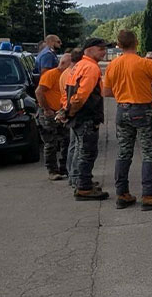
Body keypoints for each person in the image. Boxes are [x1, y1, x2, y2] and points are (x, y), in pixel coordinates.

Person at [102, 30, 152, 210]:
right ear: (136, 42)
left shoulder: (113, 65)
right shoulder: (144, 63)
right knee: (148, 152)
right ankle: (149, 195)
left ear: (119, 45)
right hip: (142, 109)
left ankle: (122, 193)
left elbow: (106, 92)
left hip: (122, 110)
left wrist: (124, 94)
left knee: (124, 152)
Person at [59, 37, 109, 201]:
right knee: (87, 153)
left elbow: (68, 92)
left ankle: (82, 182)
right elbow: (81, 96)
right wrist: (71, 111)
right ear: (89, 49)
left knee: (80, 150)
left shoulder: (78, 66)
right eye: (101, 48)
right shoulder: (90, 68)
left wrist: (67, 112)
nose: (104, 51)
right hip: (86, 116)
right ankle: (84, 188)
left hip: (78, 116)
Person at [36, 51, 73, 180]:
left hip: (61, 112)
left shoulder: (67, 75)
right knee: (51, 142)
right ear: (63, 63)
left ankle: (64, 168)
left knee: (66, 140)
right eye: (71, 64)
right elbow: (39, 92)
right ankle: (52, 170)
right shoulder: (51, 75)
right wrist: (46, 109)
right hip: (49, 112)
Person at [60, 48, 82, 188]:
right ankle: (75, 176)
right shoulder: (74, 73)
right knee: (78, 146)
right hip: (74, 112)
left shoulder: (65, 74)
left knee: (73, 145)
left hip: (67, 110)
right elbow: (76, 96)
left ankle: (72, 175)